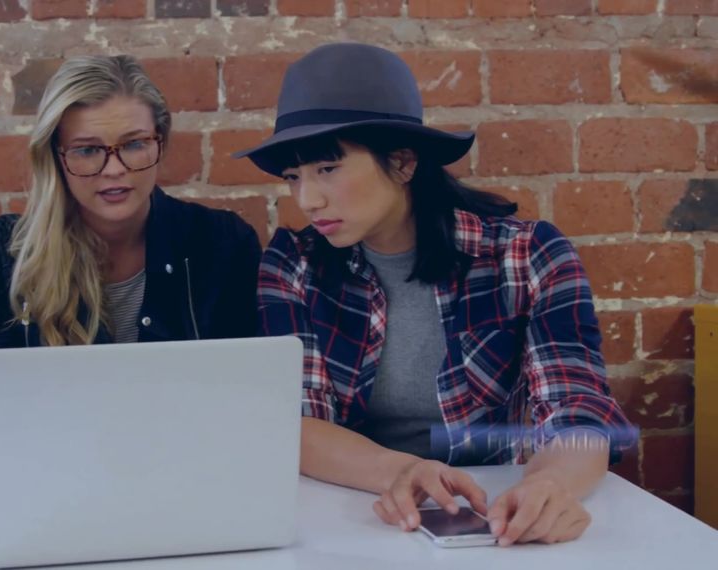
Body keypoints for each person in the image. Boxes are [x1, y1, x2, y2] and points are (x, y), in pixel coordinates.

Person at [237, 43, 634, 546]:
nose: (307, 199)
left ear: (403, 162)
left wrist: (551, 484)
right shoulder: (294, 263)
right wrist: (403, 471)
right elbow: (298, 420)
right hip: (356, 510)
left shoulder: (525, 254)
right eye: (294, 177)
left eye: (327, 169)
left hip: (494, 512)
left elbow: (578, 408)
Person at [0, 55, 261, 349]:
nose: (114, 170)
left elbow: (245, 376)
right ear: (55, 157)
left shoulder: (224, 243)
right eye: (87, 150)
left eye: (134, 144)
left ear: (161, 142)